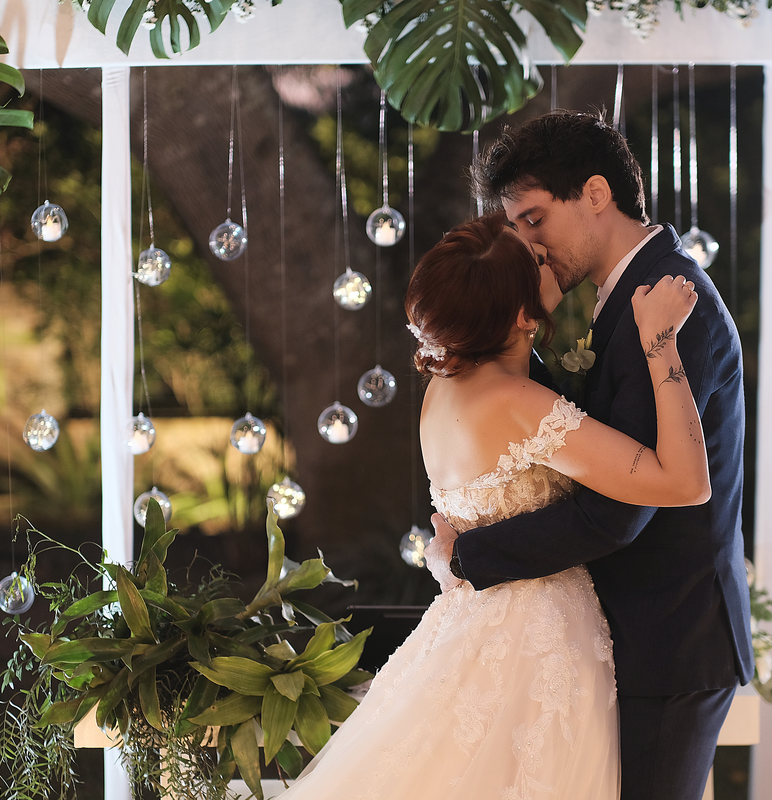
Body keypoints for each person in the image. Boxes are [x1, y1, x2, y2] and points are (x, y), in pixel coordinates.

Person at [275, 210, 709, 799]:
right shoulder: (517, 403)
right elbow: (684, 483)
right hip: (537, 652)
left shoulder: (444, 388)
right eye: (534, 260)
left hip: (472, 630)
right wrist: (660, 344)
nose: (544, 249)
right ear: (524, 316)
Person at [428, 110, 754, 800]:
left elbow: (618, 511)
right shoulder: (622, 299)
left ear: (597, 194)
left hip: (670, 636)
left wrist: (470, 554)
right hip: (628, 635)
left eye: (535, 219)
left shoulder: (672, 302)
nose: (528, 245)